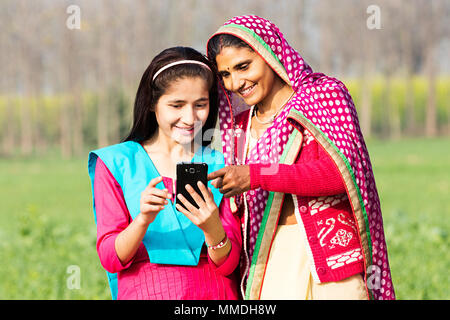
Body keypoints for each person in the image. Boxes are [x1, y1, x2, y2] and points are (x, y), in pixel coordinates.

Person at [206, 15, 395, 300]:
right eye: (226, 74)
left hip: (333, 258)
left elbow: (341, 173)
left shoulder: (323, 97)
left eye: (244, 66)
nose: (236, 82)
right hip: (270, 258)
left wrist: (256, 175)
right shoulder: (239, 127)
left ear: (271, 52)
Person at [87, 47, 241, 300]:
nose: (190, 118)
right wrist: (142, 220)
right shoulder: (117, 163)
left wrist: (212, 227)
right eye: (176, 105)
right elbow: (110, 258)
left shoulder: (221, 164)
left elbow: (230, 264)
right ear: (151, 103)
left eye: (200, 104)